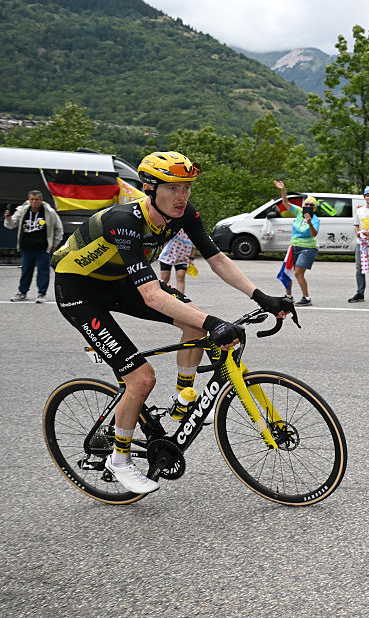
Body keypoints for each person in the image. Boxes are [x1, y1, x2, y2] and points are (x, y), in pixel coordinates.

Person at [50, 151, 292, 494]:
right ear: (150, 188)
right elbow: (151, 295)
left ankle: (183, 399)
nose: (183, 197)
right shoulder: (125, 220)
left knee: (194, 321)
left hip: (118, 283)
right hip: (80, 292)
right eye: (174, 188)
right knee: (141, 378)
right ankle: (118, 460)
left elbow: (218, 259)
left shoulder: (184, 215)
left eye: (188, 188)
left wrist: (262, 297)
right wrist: (216, 321)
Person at [4, 190, 63, 303]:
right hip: (27, 247)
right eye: (32, 199)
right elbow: (11, 225)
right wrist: (8, 219)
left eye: (37, 199)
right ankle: (22, 292)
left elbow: (59, 228)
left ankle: (41, 293)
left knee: (43, 271)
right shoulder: (22, 210)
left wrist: (55, 244)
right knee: (26, 271)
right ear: (29, 200)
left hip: (43, 248)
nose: (34, 202)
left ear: (41, 200)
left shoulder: (49, 212)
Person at [273, 180, 319, 306]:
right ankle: (288, 296)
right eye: (307, 204)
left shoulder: (314, 219)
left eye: (311, 205)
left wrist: (309, 222)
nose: (308, 206)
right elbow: (286, 203)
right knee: (287, 270)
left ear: (314, 207)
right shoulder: (299, 213)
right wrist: (283, 190)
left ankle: (306, 298)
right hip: (294, 246)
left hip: (308, 248)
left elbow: (314, 234)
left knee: (298, 273)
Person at [158, 229, 195, 294]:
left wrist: (191, 259)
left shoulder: (192, 228)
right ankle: (163, 298)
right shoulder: (175, 224)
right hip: (167, 256)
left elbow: (193, 245)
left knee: (181, 278)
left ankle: (181, 300)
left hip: (182, 257)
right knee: (164, 280)